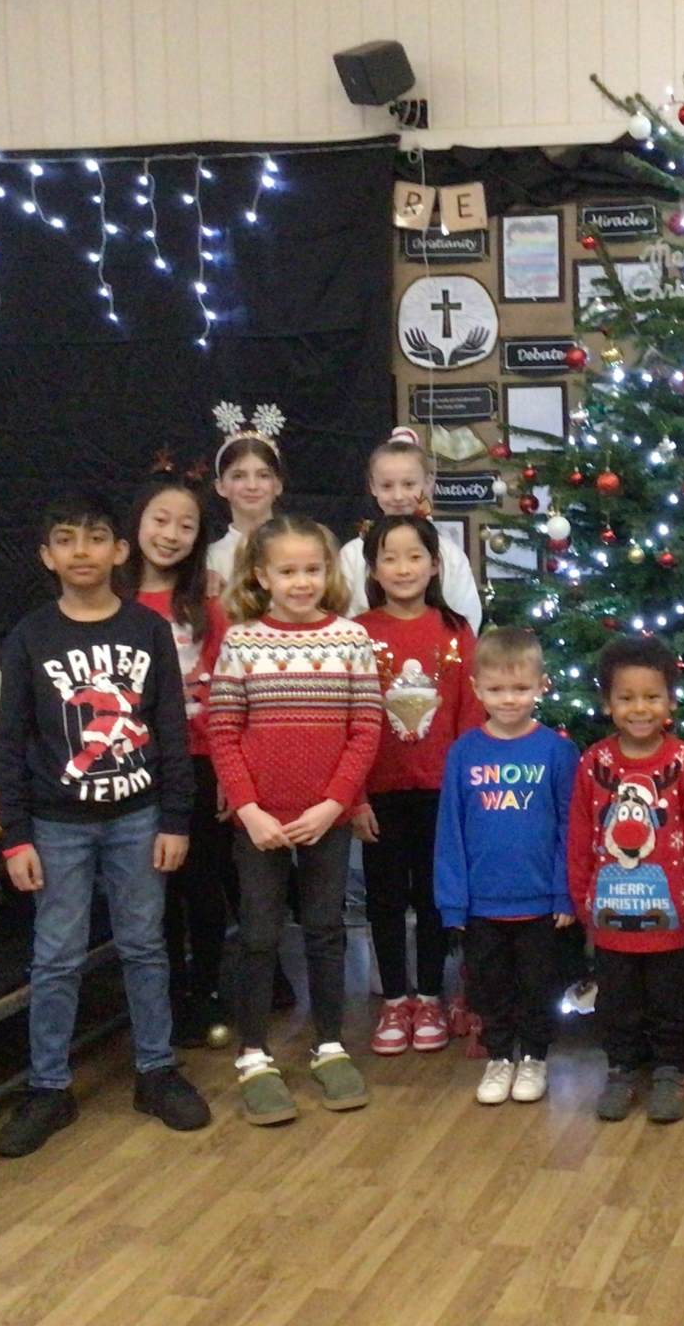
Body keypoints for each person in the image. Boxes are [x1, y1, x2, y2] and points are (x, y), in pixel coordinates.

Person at [0, 491, 209, 1157]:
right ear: (47, 555)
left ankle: (155, 1070)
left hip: (138, 817)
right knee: (55, 956)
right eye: (66, 539)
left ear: (119, 551)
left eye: (94, 538)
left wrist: (176, 818)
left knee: (144, 945)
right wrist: (15, 834)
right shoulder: (30, 637)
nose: (80, 551)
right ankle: (48, 1087)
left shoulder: (147, 630)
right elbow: (10, 742)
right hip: (56, 824)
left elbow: (170, 728)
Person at [209, 514, 382, 1125]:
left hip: (325, 820)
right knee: (258, 935)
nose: (302, 581)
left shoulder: (352, 640)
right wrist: (250, 810)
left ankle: (330, 1045)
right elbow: (224, 732)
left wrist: (334, 805)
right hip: (260, 823)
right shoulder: (241, 643)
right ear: (262, 576)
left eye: (313, 569)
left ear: (328, 572)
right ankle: (254, 1054)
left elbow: (365, 730)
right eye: (288, 571)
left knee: (325, 930)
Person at [567, 636, 684, 1125]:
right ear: (607, 703)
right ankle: (622, 1068)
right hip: (610, 916)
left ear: (670, 701)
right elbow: (580, 835)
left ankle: (672, 1069)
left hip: (674, 914)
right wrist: (582, 897)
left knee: (673, 998)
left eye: (652, 697)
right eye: (626, 697)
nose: (639, 708)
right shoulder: (594, 763)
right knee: (618, 1001)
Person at [354, 515, 483, 1055]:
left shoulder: (456, 631)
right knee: (384, 898)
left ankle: (430, 995)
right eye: (390, 557)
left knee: (434, 897)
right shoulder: (356, 632)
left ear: (434, 565)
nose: (403, 568)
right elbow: (349, 717)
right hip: (378, 792)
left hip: (441, 793)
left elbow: (470, 715)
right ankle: (393, 1001)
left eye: (415, 557)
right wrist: (355, 796)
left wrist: (466, 792)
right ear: (373, 568)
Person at [435, 627, 580, 1105]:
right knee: (490, 986)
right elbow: (450, 830)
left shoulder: (557, 751)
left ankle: (534, 1056)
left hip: (541, 904)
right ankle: (499, 1056)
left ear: (542, 685)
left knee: (538, 986)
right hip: (482, 904)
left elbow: (571, 828)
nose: (509, 699)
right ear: (476, 688)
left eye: (520, 688)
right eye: (496, 689)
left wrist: (565, 892)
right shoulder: (464, 752)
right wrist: (453, 901)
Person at [119, 474, 236, 1051]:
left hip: (200, 761)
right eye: (160, 520)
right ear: (136, 524)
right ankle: (159, 997)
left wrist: (228, 768)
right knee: (152, 890)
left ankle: (206, 989)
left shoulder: (206, 605)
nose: (170, 534)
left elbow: (228, 689)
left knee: (203, 885)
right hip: (133, 764)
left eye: (186, 526)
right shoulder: (112, 603)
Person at [338, 427, 483, 632]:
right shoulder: (353, 555)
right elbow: (343, 617)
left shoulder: (448, 554)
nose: (398, 496)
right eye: (387, 486)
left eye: (408, 484)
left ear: (428, 483)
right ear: (373, 486)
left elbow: (465, 619)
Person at [206, 411, 286, 586]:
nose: (252, 486)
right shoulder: (211, 558)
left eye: (263, 475)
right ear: (221, 487)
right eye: (238, 476)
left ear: (278, 485)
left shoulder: (299, 546)